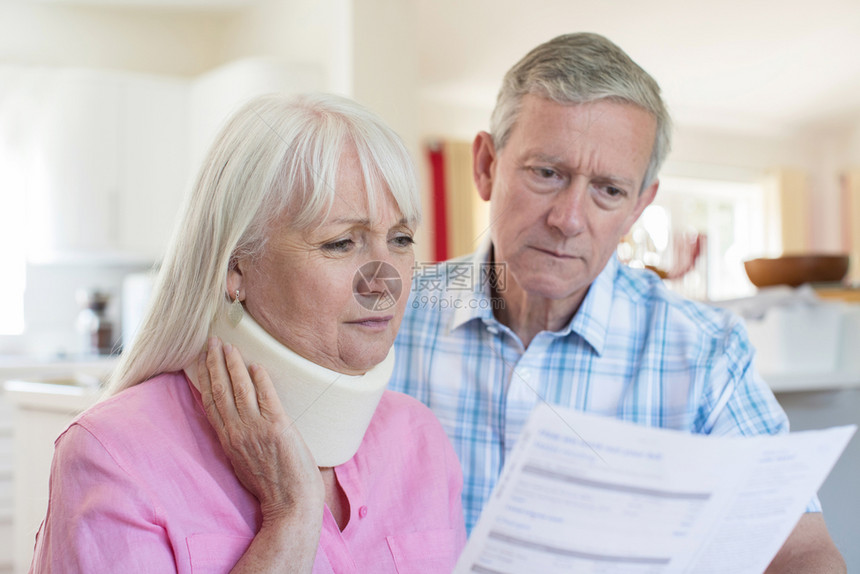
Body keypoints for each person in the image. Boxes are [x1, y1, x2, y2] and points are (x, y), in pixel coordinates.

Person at [390, 32, 846, 572]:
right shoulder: (384, 317)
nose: (569, 219)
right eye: (547, 173)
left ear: (638, 207)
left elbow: (800, 550)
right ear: (487, 165)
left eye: (608, 190)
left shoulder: (706, 352)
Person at [30, 93, 466, 573]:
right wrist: (291, 520)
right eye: (341, 243)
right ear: (235, 265)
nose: (386, 282)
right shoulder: (113, 455)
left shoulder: (420, 440)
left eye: (401, 240)